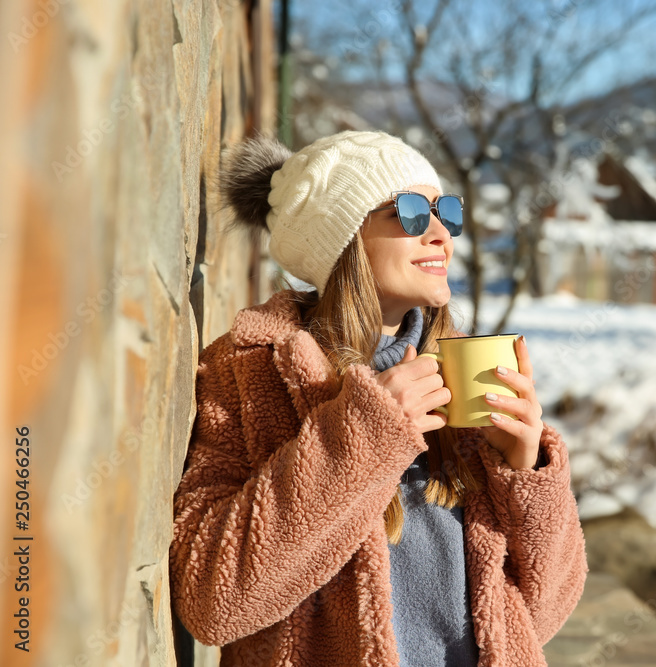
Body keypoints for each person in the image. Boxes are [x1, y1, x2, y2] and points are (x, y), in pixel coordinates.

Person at [169, 130, 588, 666]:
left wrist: (524, 470)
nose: (440, 233)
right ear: (341, 238)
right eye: (410, 213)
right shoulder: (249, 371)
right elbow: (214, 603)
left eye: (447, 212)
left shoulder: (462, 375)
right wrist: (365, 434)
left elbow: (539, 617)